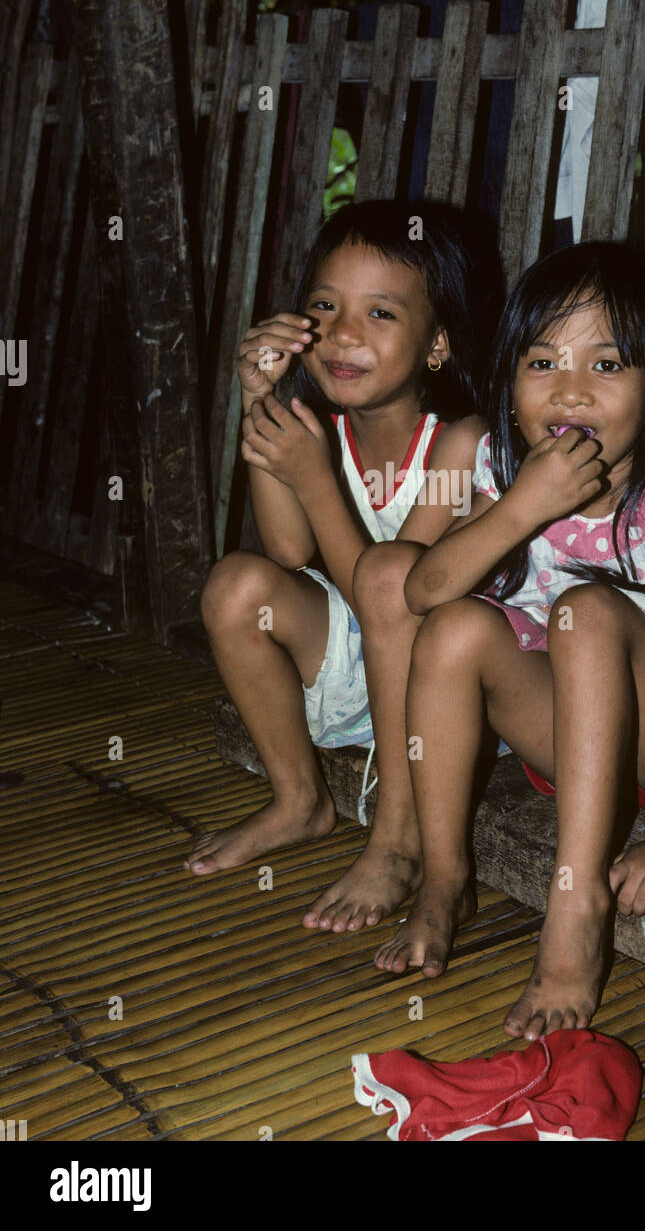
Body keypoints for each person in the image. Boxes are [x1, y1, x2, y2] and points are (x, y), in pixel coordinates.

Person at [371, 241, 645, 1039]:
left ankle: (574, 906)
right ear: (510, 386)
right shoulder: (500, 475)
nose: (571, 390)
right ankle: (444, 879)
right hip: (573, 745)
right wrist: (522, 507)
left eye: (608, 364)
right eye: (543, 360)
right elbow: (419, 592)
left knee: (584, 610)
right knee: (455, 627)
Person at [185, 200, 496, 879]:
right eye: (323, 308)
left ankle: (398, 839)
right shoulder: (322, 431)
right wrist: (259, 396)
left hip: (440, 687)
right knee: (237, 584)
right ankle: (299, 800)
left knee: (391, 573)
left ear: (437, 343)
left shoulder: (460, 444)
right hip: (357, 664)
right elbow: (290, 553)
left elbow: (398, 600)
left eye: (379, 313)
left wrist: (315, 478)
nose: (341, 333)